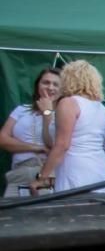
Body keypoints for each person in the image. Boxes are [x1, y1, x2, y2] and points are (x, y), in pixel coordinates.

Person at [31, 60, 105, 194]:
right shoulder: (100, 107)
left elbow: (62, 145)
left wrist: (41, 177)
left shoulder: (69, 103)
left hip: (75, 169)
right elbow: (53, 142)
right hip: (99, 169)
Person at [2, 67, 60, 197]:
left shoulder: (63, 114)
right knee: (9, 215)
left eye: (56, 84)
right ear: (37, 85)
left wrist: (47, 113)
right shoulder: (21, 110)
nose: (50, 87)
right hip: (18, 172)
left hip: (46, 174)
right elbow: (3, 139)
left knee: (44, 215)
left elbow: (54, 145)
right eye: (46, 82)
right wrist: (37, 148)